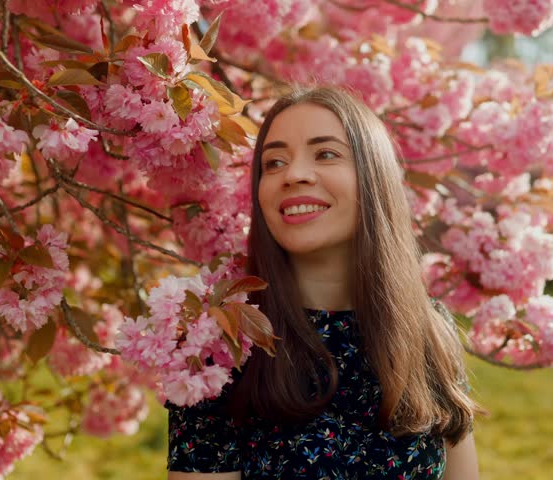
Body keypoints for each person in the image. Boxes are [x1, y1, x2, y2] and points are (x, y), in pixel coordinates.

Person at [167, 86, 482, 479]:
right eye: (274, 162)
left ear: (373, 177)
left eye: (326, 153)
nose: (294, 175)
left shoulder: (428, 328)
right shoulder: (221, 344)